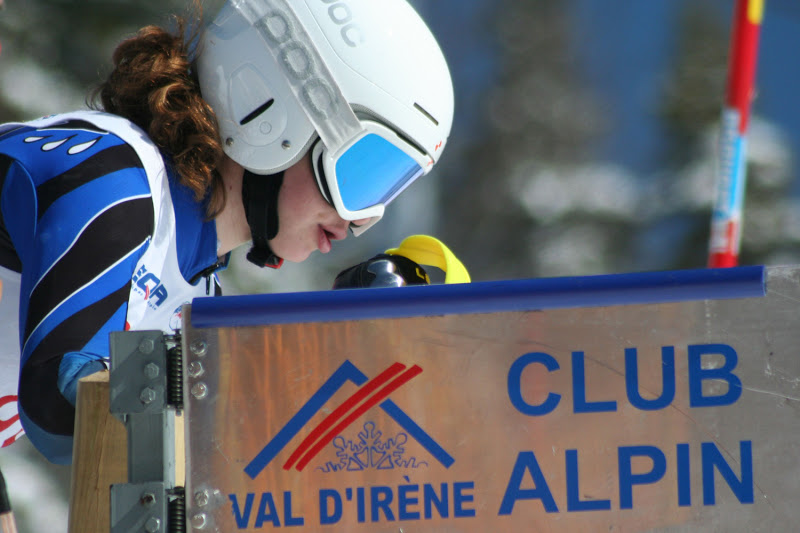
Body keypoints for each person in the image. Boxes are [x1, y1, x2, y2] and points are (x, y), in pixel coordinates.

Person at [0, 0, 454, 464]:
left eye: (388, 188)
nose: (358, 221)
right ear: (270, 114)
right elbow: (64, 404)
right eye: (361, 175)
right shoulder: (113, 181)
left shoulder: (194, 283)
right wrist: (311, 362)